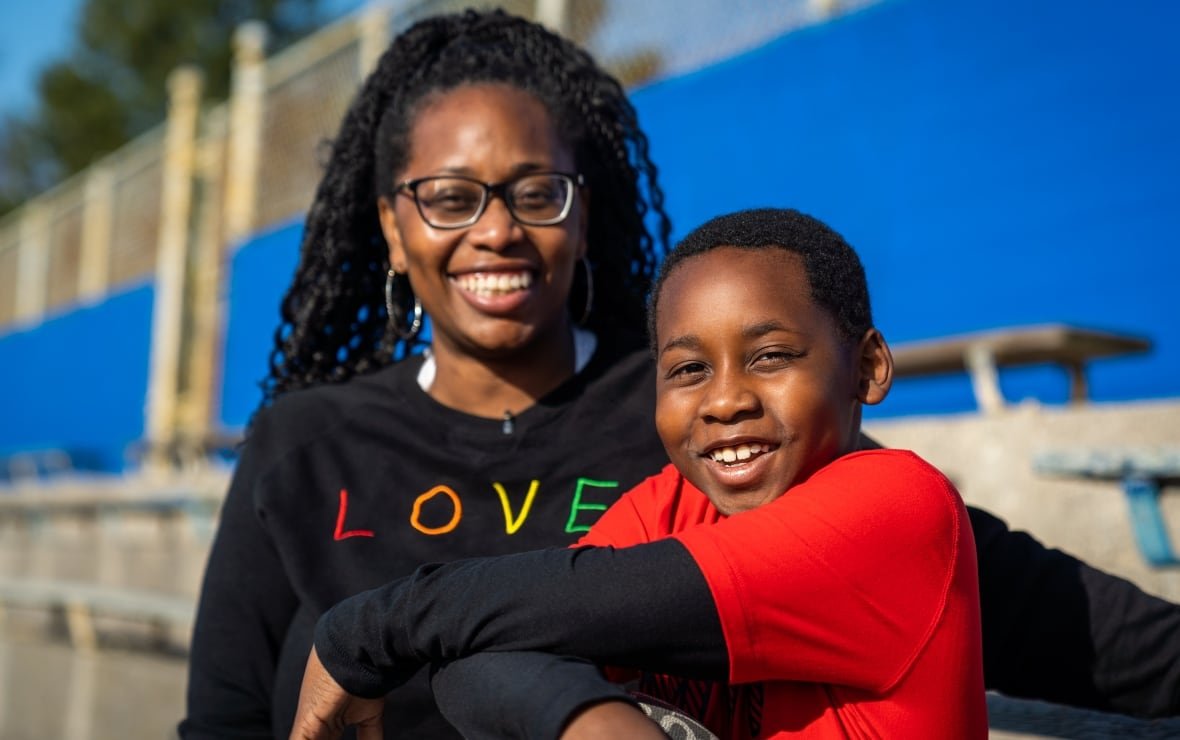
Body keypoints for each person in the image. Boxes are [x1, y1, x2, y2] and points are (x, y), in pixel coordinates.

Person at [181, 8, 1180, 739]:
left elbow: (1015, 601)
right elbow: (224, 717)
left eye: (536, 190)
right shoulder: (300, 445)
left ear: (586, 213)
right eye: (447, 197)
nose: (494, 228)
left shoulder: (710, 431)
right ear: (395, 229)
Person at [287, 207, 989, 738]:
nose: (724, 400)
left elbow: (558, 611)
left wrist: (365, 630)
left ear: (867, 368)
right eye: (688, 370)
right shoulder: (668, 506)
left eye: (770, 356)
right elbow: (489, 652)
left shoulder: (898, 504)